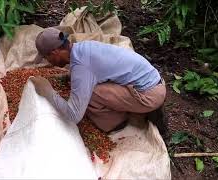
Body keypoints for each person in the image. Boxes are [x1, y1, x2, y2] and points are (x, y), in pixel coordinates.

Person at [32, 27, 167, 134]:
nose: (49, 62)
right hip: (153, 80)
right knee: (87, 86)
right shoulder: (83, 48)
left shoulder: (81, 66)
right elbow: (94, 69)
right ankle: (132, 108)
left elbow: (74, 116)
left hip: (149, 95)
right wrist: (69, 77)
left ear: (55, 52)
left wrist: (48, 91)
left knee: (92, 93)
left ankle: (115, 124)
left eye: (46, 58)